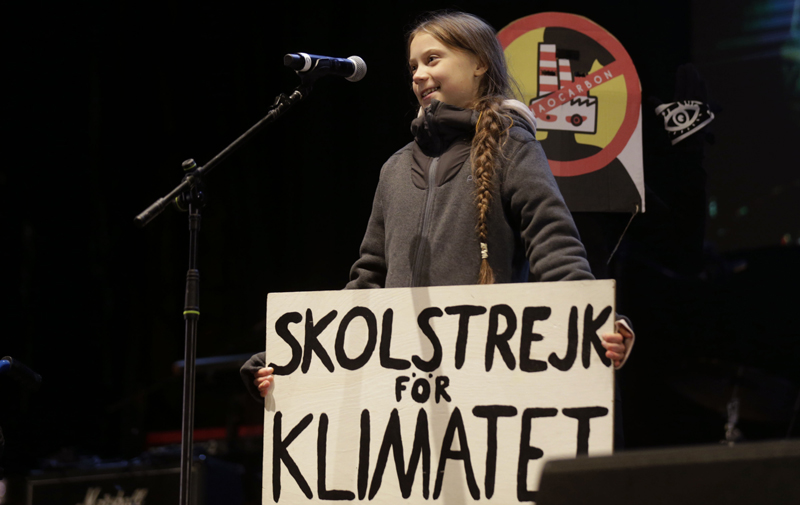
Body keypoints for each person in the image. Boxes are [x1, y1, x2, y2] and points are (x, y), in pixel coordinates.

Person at [241, 10, 633, 401]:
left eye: (432, 59)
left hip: (484, 375)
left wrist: (595, 320)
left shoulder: (513, 148)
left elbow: (555, 246)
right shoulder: (394, 169)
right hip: (400, 386)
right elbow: (367, 284)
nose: (417, 74)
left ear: (480, 63)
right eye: (412, 66)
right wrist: (293, 357)